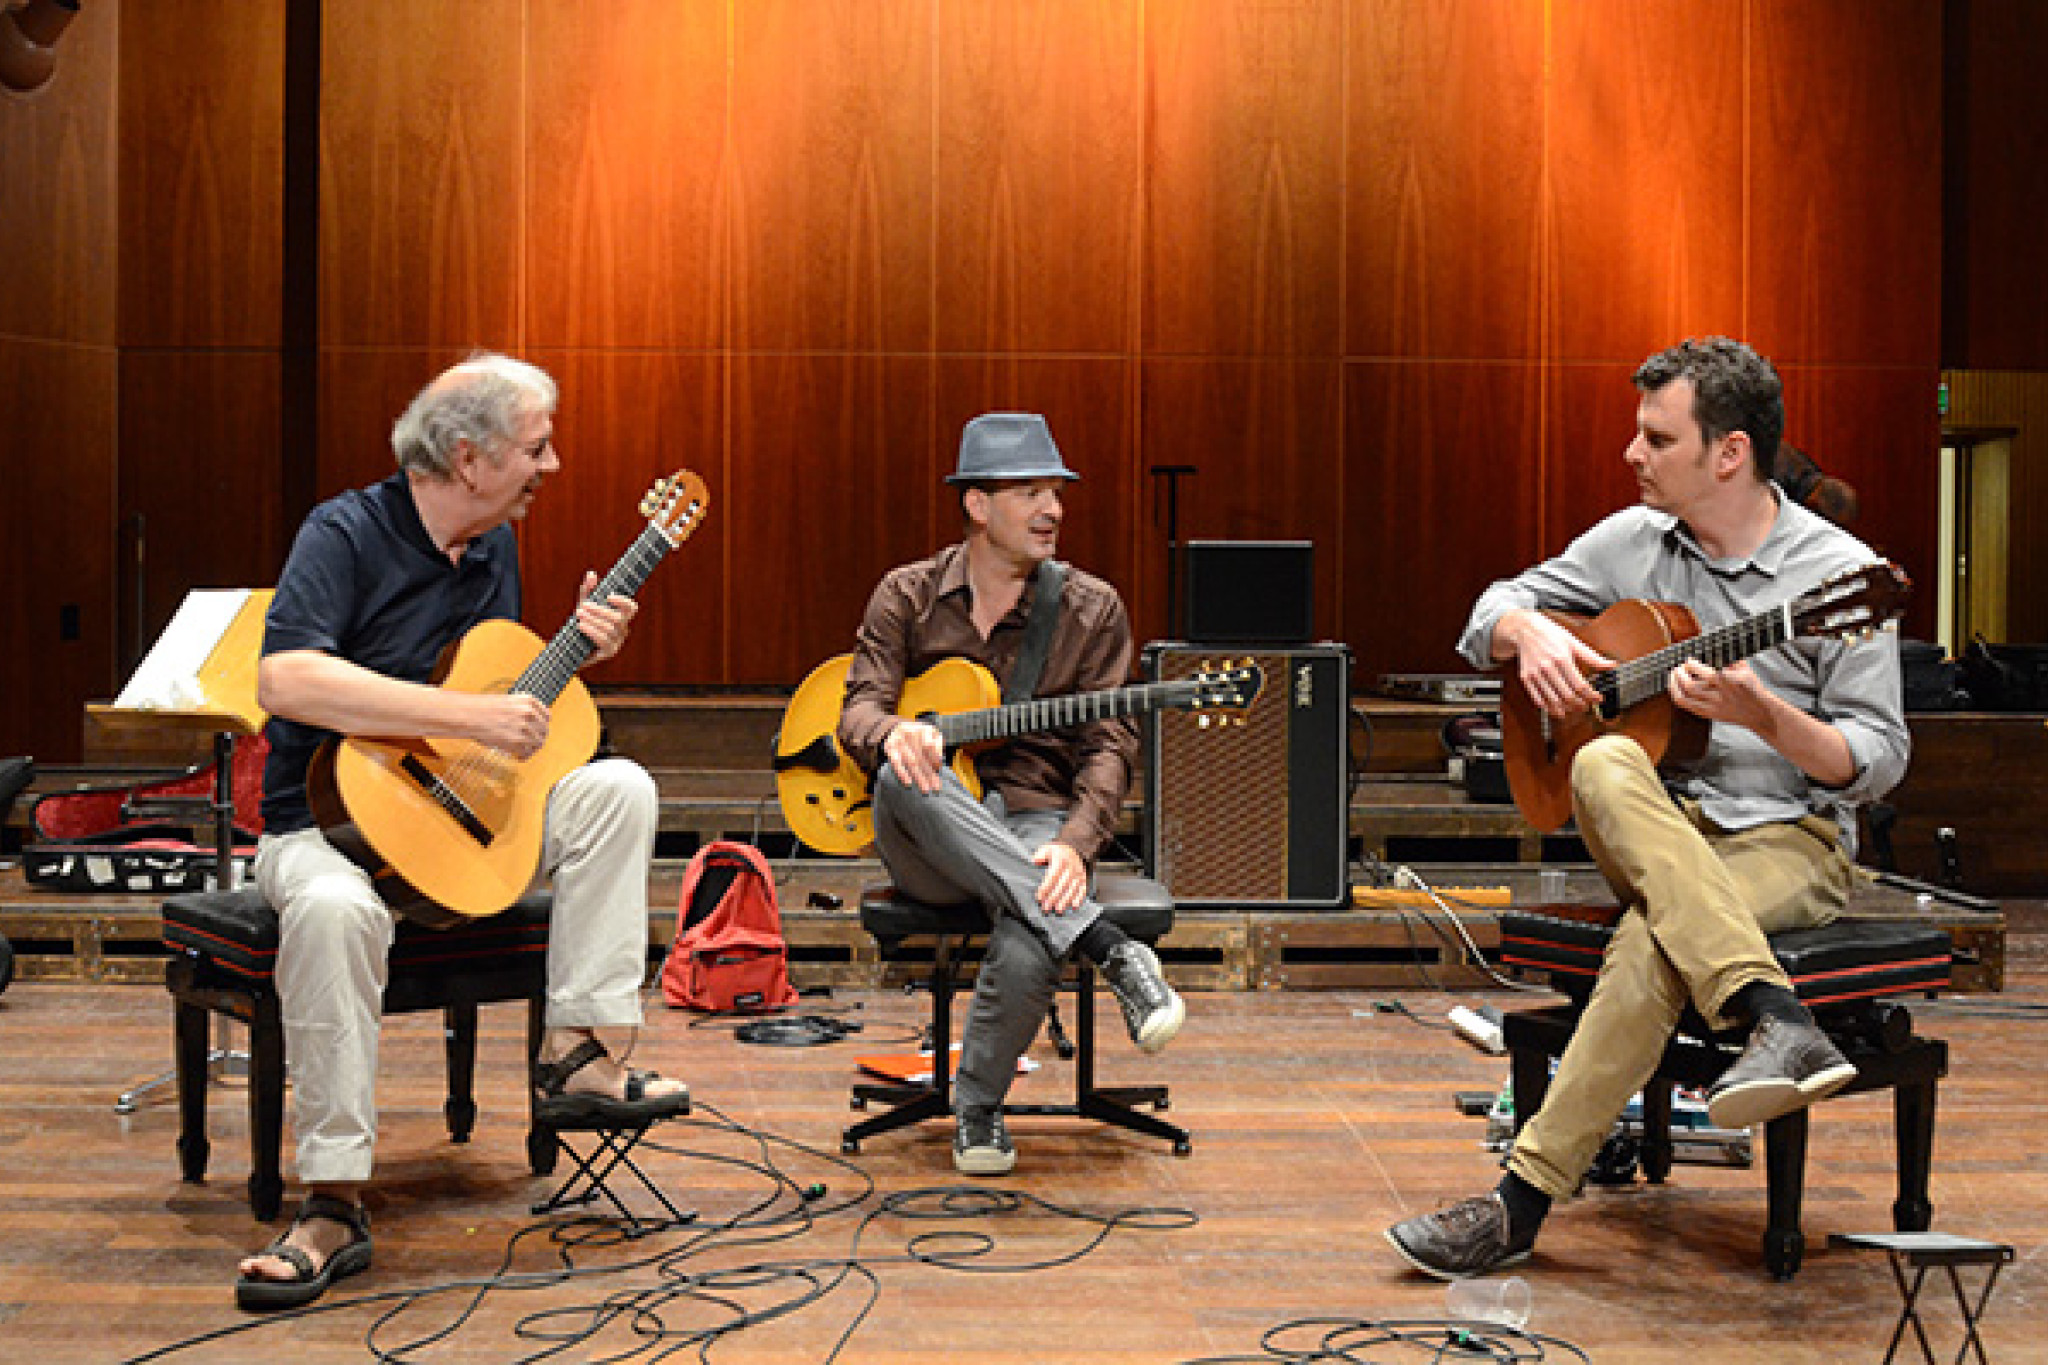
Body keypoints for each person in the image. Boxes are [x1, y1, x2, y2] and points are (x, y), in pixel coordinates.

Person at [1385, 337, 1909, 1279]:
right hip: (1654, 822)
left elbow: (1877, 762)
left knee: (1653, 943)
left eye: (1656, 437)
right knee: (1604, 764)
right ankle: (1776, 1018)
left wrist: (1769, 715)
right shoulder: (1630, 540)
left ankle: (1518, 1203)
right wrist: (1531, 632)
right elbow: (1486, 610)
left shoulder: (1843, 575)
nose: (1633, 454)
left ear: (1729, 453)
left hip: (1786, 838)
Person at [234, 354, 687, 1310]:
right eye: (535, 447)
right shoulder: (344, 532)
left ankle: (581, 1050)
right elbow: (285, 682)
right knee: (330, 910)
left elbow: (497, 708)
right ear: (468, 455)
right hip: (318, 826)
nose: (551, 464)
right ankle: (331, 1198)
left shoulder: (493, 553)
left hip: (453, 817)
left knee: (619, 786)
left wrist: (571, 653)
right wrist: (468, 722)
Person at [836, 412, 1185, 1176]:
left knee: (1036, 920)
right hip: (926, 831)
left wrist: (1074, 843)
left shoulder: (1092, 608)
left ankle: (979, 1107)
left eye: (1055, 492)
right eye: (1030, 491)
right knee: (906, 772)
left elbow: (1109, 742)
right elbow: (856, 710)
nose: (1052, 509)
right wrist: (895, 731)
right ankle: (1107, 946)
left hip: (1036, 817)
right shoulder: (908, 594)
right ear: (977, 504)